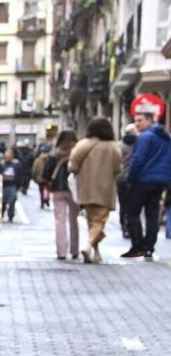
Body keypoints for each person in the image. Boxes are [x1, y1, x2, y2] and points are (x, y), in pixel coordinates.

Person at [71, 117, 126, 264]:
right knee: (99, 222)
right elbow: (118, 168)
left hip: (86, 188)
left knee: (92, 221)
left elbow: (73, 166)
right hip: (105, 189)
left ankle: (96, 253)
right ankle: (88, 245)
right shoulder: (113, 147)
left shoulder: (82, 145)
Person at [120, 113, 171, 259]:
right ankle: (149, 247)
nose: (137, 124)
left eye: (140, 120)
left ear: (150, 120)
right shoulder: (165, 138)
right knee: (152, 214)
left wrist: (131, 179)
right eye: (135, 121)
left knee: (132, 213)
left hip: (142, 180)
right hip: (159, 181)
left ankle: (138, 246)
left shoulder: (145, 137)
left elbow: (138, 159)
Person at [46, 131, 81, 261]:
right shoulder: (78, 151)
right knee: (74, 220)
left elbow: (46, 172)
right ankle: (74, 250)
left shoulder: (55, 153)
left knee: (60, 220)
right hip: (75, 189)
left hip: (58, 189)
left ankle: (61, 251)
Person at [0, 150, 23, 223]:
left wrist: (19, 185)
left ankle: (10, 215)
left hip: (12, 185)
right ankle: (1, 214)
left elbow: (19, 175)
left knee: (12, 200)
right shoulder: (2, 164)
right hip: (4, 185)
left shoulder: (16, 164)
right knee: (3, 201)